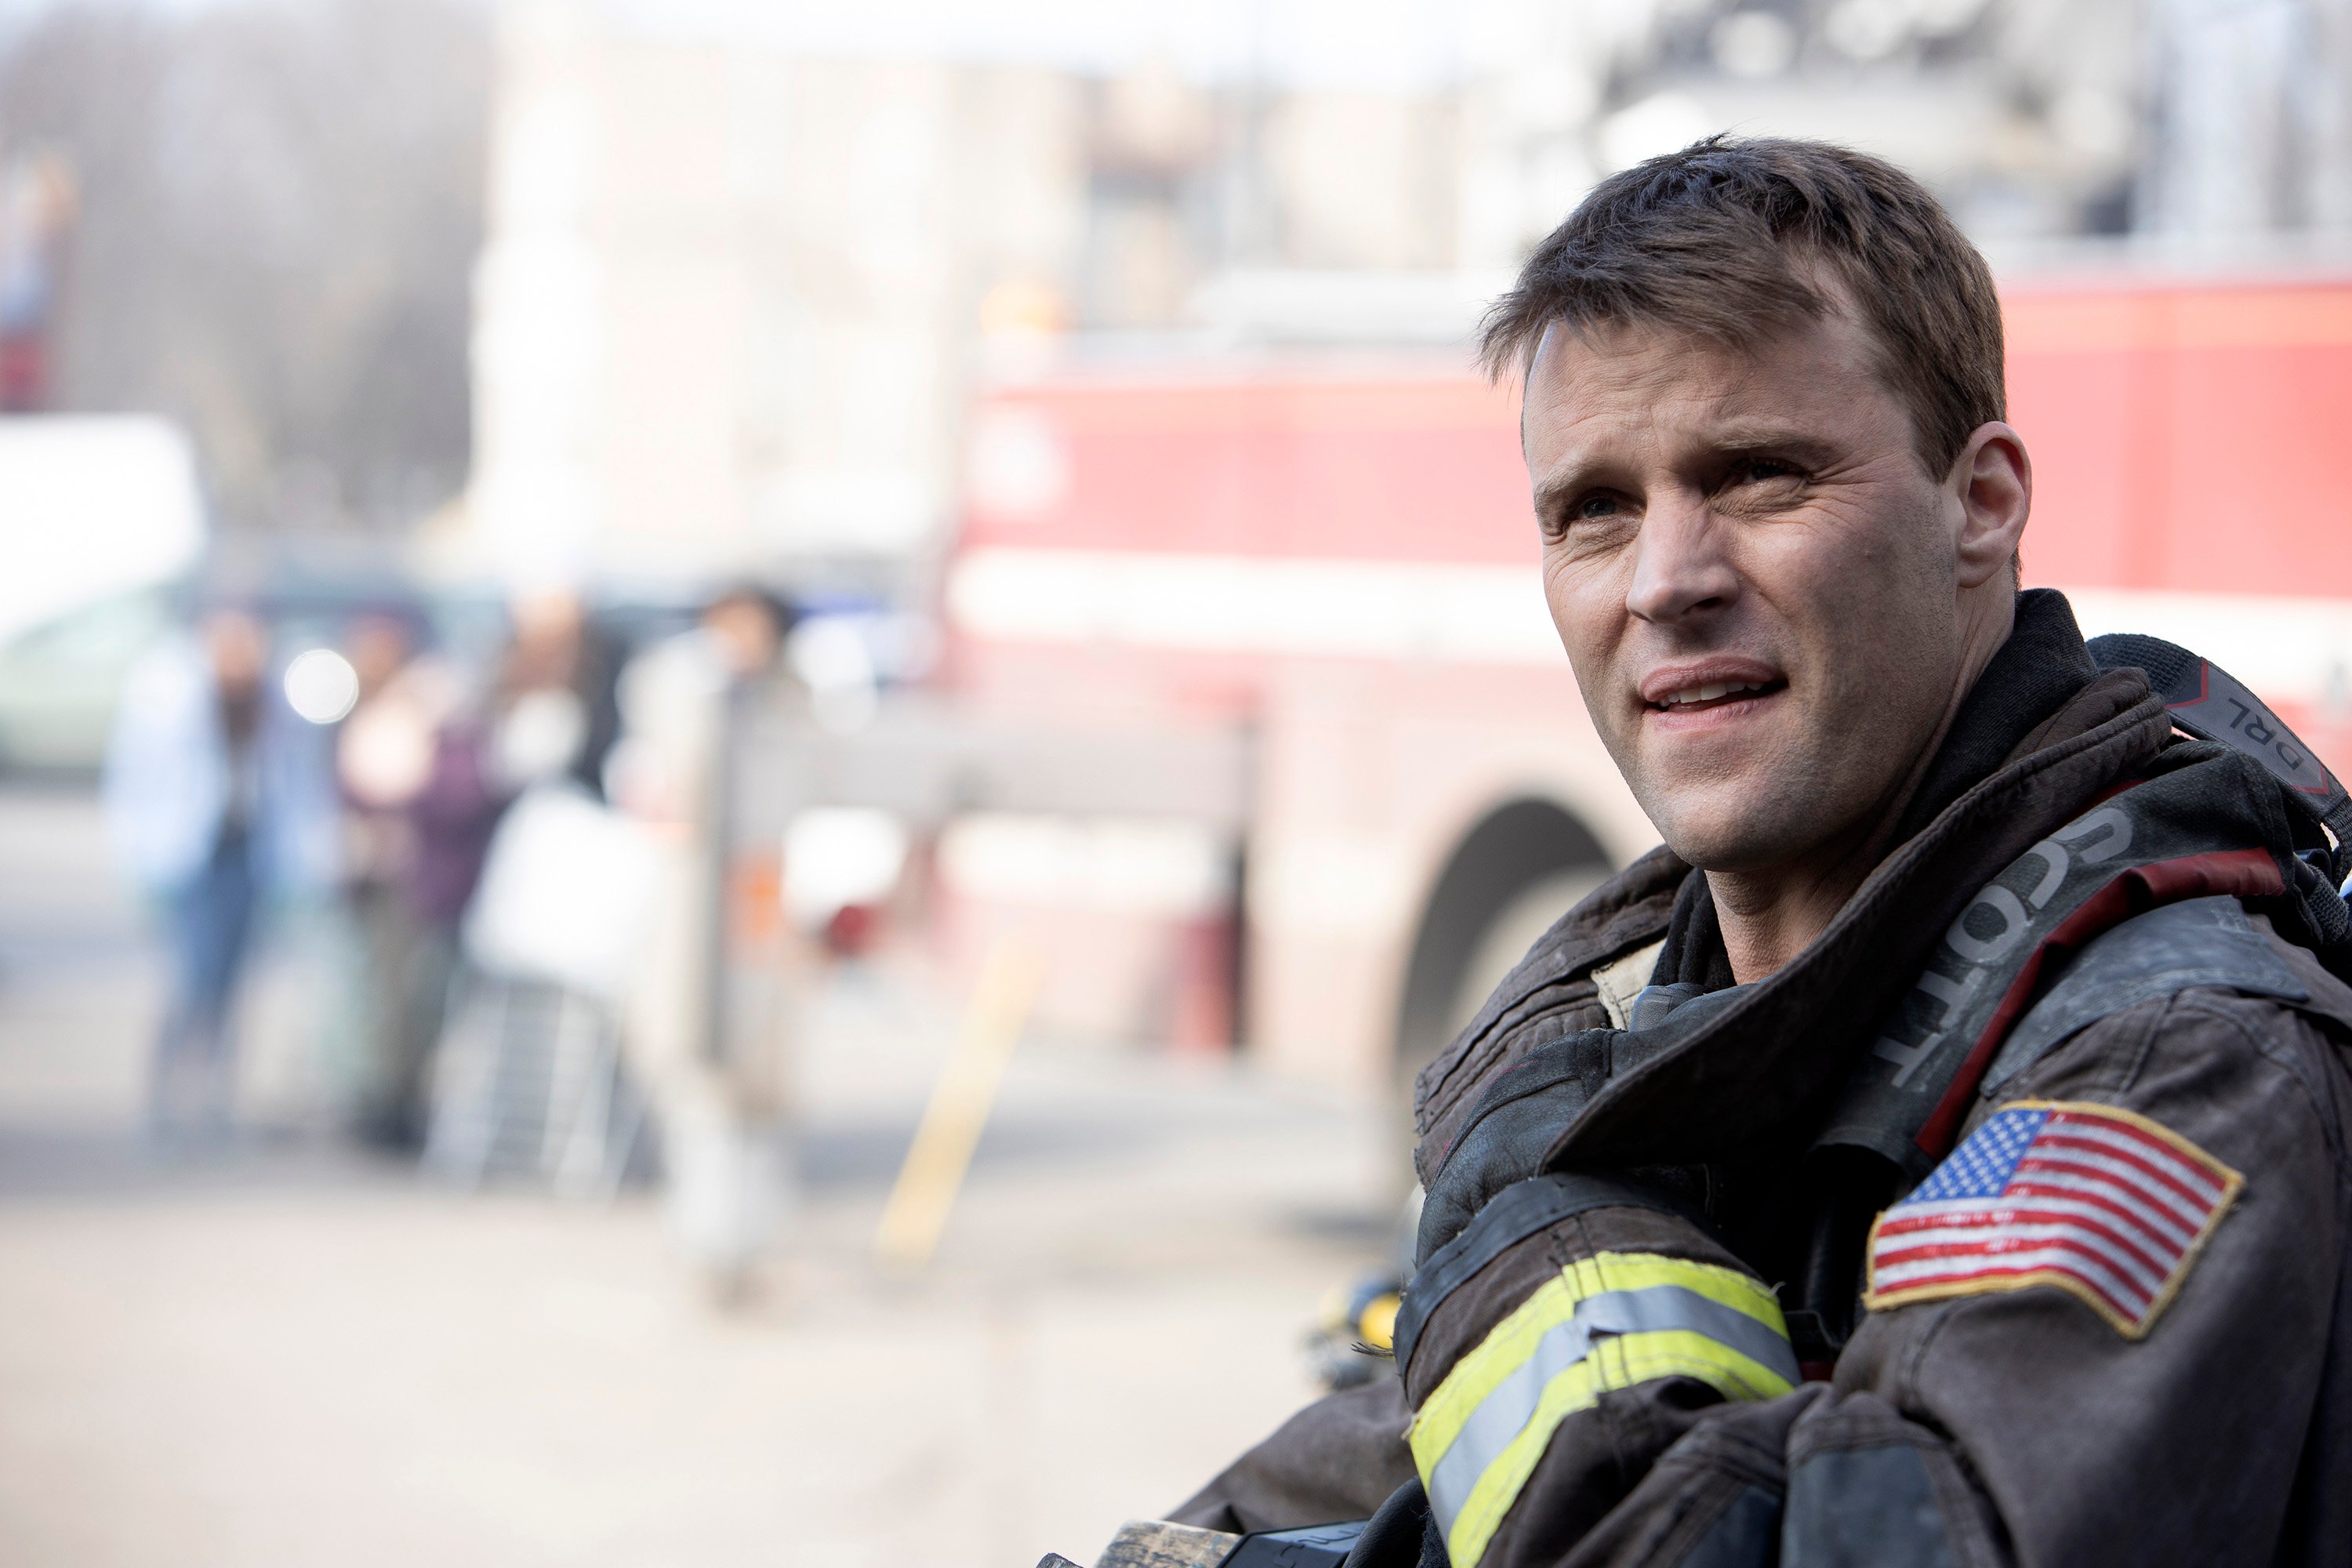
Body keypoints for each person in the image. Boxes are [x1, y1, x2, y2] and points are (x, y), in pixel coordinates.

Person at [1168, 138, 2352, 1566]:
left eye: (1759, 477)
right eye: (1593, 509)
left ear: (1980, 504)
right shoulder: (1677, 1021)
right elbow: (1384, 1468)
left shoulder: (2167, 1062)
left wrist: (1542, 1232)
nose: (1666, 582)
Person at [103, 607, 335, 1142]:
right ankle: (161, 1104)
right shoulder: (174, 697)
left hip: (248, 858)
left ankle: (217, 1105)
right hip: (191, 861)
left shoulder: (273, 702)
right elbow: (134, 781)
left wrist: (306, 865)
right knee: (191, 983)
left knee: (235, 989)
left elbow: (299, 785)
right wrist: (137, 863)